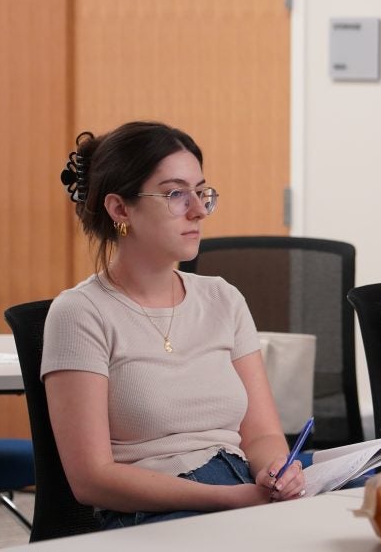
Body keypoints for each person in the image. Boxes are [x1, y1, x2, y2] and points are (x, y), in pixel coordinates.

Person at [45, 121, 306, 529]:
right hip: (156, 513)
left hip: (239, 487)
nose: (199, 210)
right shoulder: (79, 313)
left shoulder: (224, 298)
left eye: (201, 192)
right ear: (120, 209)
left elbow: (261, 436)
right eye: (174, 194)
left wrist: (277, 470)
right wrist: (227, 499)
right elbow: (91, 480)